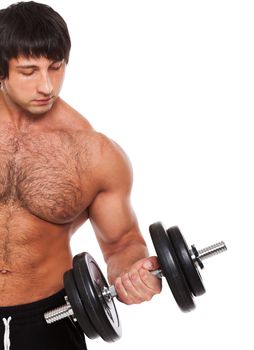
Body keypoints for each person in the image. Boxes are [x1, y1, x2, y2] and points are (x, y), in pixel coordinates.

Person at [0, 1, 162, 349]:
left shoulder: (94, 154)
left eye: (55, 68)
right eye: (29, 71)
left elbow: (122, 244)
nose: (47, 86)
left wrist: (134, 273)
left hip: (48, 320)